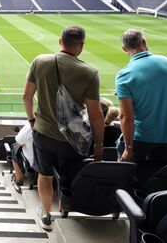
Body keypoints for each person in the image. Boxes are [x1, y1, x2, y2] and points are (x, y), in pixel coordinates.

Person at [23, 25, 105, 231]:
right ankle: (64, 209)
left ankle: (47, 213)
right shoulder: (90, 72)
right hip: (73, 137)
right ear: (81, 46)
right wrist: (99, 145)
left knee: (45, 174)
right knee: (68, 175)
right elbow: (96, 115)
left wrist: (32, 121)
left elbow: (26, 97)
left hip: (43, 132)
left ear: (60, 41)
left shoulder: (40, 61)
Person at [116, 29, 167, 165]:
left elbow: (126, 117)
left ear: (124, 49)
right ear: (144, 42)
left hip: (144, 138)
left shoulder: (124, 75)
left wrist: (128, 148)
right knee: (163, 177)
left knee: (129, 175)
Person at [10, 120, 34, 193]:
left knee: (15, 148)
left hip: (33, 164)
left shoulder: (31, 125)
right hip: (56, 164)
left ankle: (18, 179)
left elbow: (18, 141)